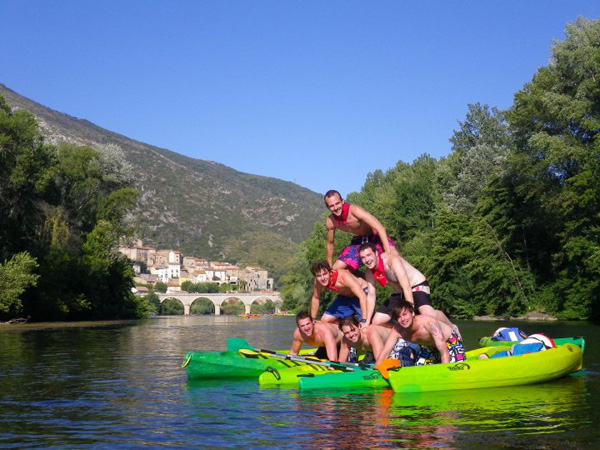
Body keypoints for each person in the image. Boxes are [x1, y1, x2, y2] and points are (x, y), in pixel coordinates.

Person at [358, 242, 458, 333]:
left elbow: (406, 286)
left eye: (368, 255)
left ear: (376, 253)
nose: (367, 260)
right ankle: (402, 334)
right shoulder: (369, 272)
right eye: (363, 258)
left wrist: (411, 311)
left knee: (428, 315)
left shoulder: (391, 261)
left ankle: (452, 327)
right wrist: (367, 322)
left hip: (416, 285)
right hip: (399, 291)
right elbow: (371, 295)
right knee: (377, 321)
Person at [324, 190, 397, 272]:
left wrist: (387, 252)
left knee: (394, 256)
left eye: (337, 203)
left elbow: (380, 228)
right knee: (335, 270)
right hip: (359, 241)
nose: (336, 208)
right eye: (332, 206)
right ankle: (363, 283)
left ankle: (410, 280)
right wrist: (329, 264)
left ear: (342, 201)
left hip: (374, 236)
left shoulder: (355, 211)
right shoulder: (331, 221)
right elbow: (330, 243)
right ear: (328, 208)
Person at [375, 300, 465, 366]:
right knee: (419, 367)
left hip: (450, 342)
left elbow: (443, 349)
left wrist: (444, 370)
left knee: (455, 367)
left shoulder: (429, 323)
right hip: (430, 347)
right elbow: (385, 353)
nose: (402, 319)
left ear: (412, 313)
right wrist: (377, 371)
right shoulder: (397, 330)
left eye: (405, 314)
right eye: (399, 317)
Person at [310, 260, 374, 325]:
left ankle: (361, 325)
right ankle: (346, 327)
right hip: (346, 297)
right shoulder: (318, 282)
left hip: (362, 293)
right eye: (319, 276)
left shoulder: (343, 276)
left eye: (325, 274)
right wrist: (313, 318)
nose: (323, 278)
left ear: (330, 272)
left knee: (365, 324)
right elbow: (316, 298)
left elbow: (362, 296)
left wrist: (364, 320)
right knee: (325, 321)